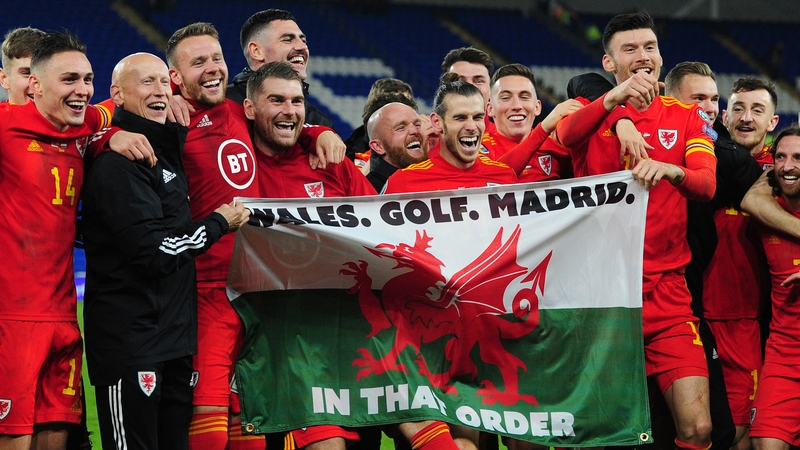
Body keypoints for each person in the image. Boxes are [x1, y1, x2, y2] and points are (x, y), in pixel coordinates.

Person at [166, 22, 343, 450]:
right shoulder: (168, 120)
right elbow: (105, 117)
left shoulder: (237, 112)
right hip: (206, 290)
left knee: (250, 414)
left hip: (261, 288)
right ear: (175, 77)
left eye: (216, 58)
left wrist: (321, 131)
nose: (211, 69)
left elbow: (282, 119)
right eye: (197, 62)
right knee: (207, 410)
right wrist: (119, 131)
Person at [556, 12, 717, 450]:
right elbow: (568, 135)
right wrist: (616, 108)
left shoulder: (688, 117)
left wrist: (671, 168)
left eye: (649, 47)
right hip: (602, 296)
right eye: (630, 49)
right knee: (604, 435)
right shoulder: (595, 114)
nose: (643, 56)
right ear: (610, 64)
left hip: (667, 294)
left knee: (699, 428)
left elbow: (705, 184)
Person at [81, 52, 250, 450]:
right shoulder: (117, 164)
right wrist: (219, 223)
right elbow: (157, 252)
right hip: (132, 344)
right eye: (147, 83)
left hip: (174, 342)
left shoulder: (163, 151)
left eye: (163, 82)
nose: (160, 91)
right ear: (116, 95)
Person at [0, 30, 155, 450]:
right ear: (34, 84)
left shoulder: (86, 123)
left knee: (58, 436)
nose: (82, 90)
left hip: (67, 317)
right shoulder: (5, 127)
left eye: (87, 80)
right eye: (69, 80)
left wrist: (111, 134)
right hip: (13, 319)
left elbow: (109, 113)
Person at [244, 61, 376, 450]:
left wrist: (320, 132)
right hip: (283, 343)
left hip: (347, 335)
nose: (290, 110)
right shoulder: (236, 162)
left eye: (297, 101)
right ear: (250, 109)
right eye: (277, 100)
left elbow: (382, 231)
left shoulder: (332, 164)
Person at [692, 74, 776, 450]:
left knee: (739, 432)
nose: (746, 117)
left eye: (757, 110)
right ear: (724, 116)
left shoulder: (783, 175)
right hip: (693, 318)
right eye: (738, 108)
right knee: (697, 427)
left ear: (772, 122)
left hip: (747, 325)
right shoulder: (701, 162)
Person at [751, 124, 800, 450]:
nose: (787, 166)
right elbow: (750, 198)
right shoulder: (766, 210)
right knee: (766, 444)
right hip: (784, 357)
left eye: (798, 157)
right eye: (780, 157)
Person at [227, 8, 333, 127]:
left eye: (304, 41)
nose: (303, 47)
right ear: (257, 51)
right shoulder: (220, 106)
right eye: (287, 40)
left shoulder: (319, 122)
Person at [483, 63, 577, 181]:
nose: (517, 106)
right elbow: (494, 180)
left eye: (524, 97)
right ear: (490, 109)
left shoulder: (558, 147)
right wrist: (543, 129)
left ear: (537, 107)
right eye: (506, 98)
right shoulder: (475, 149)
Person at [365, 101, 428, 192]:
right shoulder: (368, 192)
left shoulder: (438, 174)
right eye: (401, 128)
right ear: (378, 146)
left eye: (417, 125)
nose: (415, 131)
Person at [0, 26, 46, 104]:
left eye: (45, 73)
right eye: (27, 73)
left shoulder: (70, 115)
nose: (37, 83)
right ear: (4, 79)